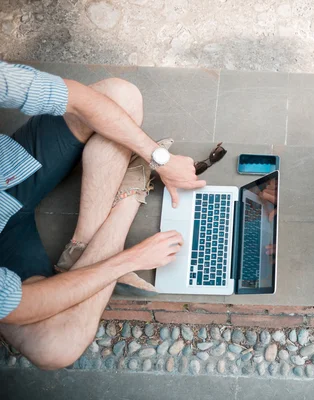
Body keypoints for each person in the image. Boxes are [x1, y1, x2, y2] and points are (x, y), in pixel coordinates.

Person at [0, 61, 206, 369]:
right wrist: (130, 259)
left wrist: (160, 159)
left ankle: (80, 250)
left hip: (11, 172)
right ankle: (128, 196)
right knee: (55, 349)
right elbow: (23, 306)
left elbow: (81, 98)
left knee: (121, 95)